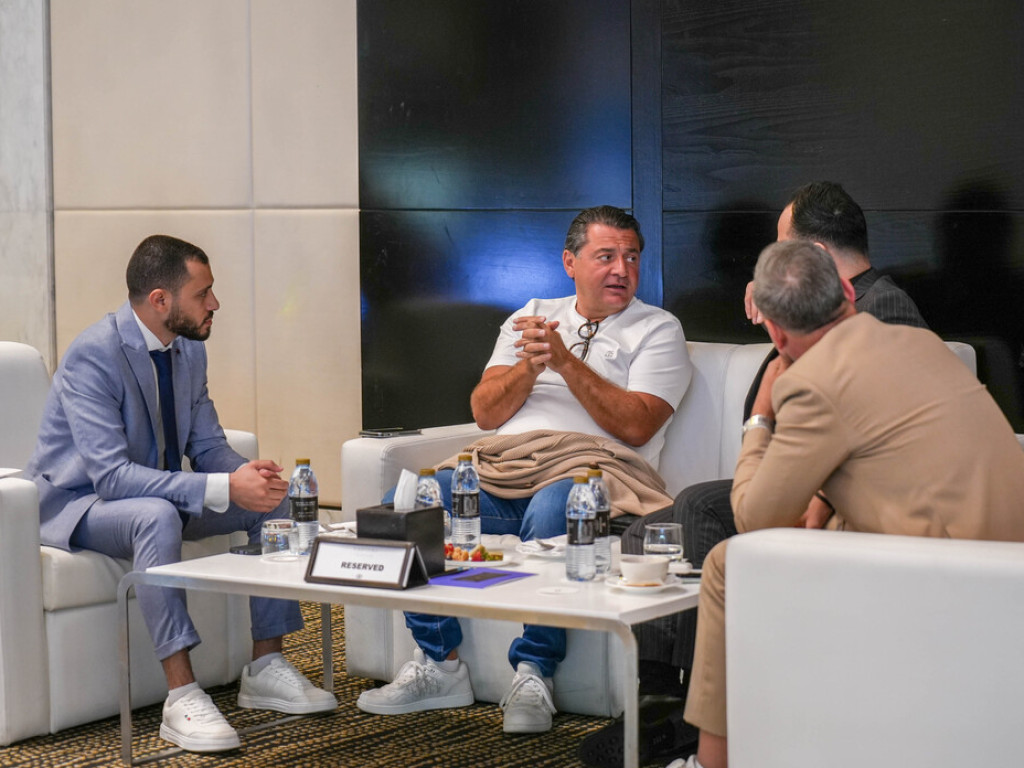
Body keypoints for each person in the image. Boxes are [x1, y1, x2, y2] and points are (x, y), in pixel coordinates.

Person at [582, 181, 928, 767]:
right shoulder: (839, 307)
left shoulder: (884, 308)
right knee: (647, 530)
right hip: (806, 475)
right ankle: (657, 703)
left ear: (813, 256)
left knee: (699, 507)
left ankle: (694, 721)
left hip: (843, 495)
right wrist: (780, 304)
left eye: (780, 253)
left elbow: (852, 429)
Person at [669, 238, 1024, 768]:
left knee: (729, 562)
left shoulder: (809, 383)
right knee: (819, 527)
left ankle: (711, 760)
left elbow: (753, 518)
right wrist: (821, 498)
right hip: (1005, 564)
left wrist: (760, 414)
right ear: (847, 291)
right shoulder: (920, 342)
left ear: (775, 332)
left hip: (946, 578)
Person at [357, 205, 692, 733]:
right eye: (606, 256)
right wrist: (529, 367)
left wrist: (564, 362)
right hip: (505, 467)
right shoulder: (533, 313)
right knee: (409, 506)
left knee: (556, 508)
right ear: (570, 262)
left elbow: (636, 426)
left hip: (591, 471)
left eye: (631, 257)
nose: (621, 269)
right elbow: (485, 412)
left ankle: (534, 672)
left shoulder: (656, 328)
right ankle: (440, 664)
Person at [25, 235, 336, 753]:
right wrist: (221, 487)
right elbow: (112, 478)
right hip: (81, 505)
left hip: (156, 494)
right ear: (160, 300)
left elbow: (207, 444)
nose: (215, 303)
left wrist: (246, 477)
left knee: (273, 502)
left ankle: (266, 665)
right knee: (156, 516)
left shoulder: (188, 348)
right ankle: (182, 695)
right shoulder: (93, 354)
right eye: (203, 293)